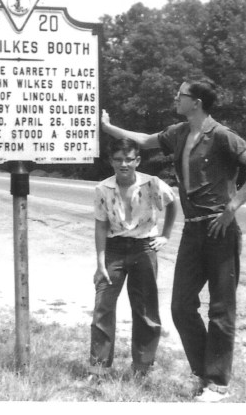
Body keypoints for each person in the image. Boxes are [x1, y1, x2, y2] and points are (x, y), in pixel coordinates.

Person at [101, 79, 246, 402]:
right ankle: (204, 371)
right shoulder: (178, 133)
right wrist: (108, 128)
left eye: (180, 95)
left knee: (221, 308)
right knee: (181, 305)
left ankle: (217, 383)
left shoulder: (222, 135)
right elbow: (142, 140)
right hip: (192, 231)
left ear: (196, 102)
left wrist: (232, 207)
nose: (175, 99)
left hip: (220, 230)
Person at [89, 138, 177, 378]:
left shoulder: (152, 184)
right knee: (103, 307)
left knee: (145, 309)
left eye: (129, 159)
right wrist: (100, 262)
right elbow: (100, 226)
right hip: (114, 248)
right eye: (118, 159)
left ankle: (142, 368)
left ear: (137, 160)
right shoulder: (102, 189)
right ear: (111, 161)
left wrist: (166, 235)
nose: (124, 164)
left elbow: (172, 204)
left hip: (144, 247)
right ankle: (98, 367)